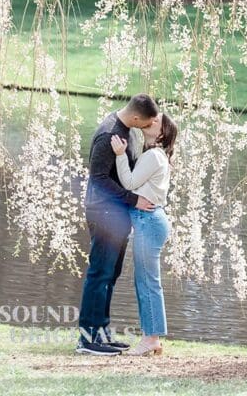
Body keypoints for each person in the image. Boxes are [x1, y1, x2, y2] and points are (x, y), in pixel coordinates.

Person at [76, 93, 159, 356]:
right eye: (145, 124)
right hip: (103, 212)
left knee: (111, 273)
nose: (146, 128)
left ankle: (101, 332)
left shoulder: (129, 131)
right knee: (100, 272)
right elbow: (99, 179)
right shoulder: (108, 134)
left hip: (119, 213)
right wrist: (133, 199)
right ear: (135, 117)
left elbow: (128, 171)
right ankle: (87, 339)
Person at [110, 110, 177, 356]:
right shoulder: (155, 155)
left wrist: (119, 155)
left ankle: (151, 339)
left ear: (161, 132)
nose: (150, 118)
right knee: (145, 281)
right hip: (149, 221)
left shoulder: (153, 156)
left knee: (148, 282)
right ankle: (151, 337)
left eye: (156, 119)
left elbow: (128, 183)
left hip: (148, 221)